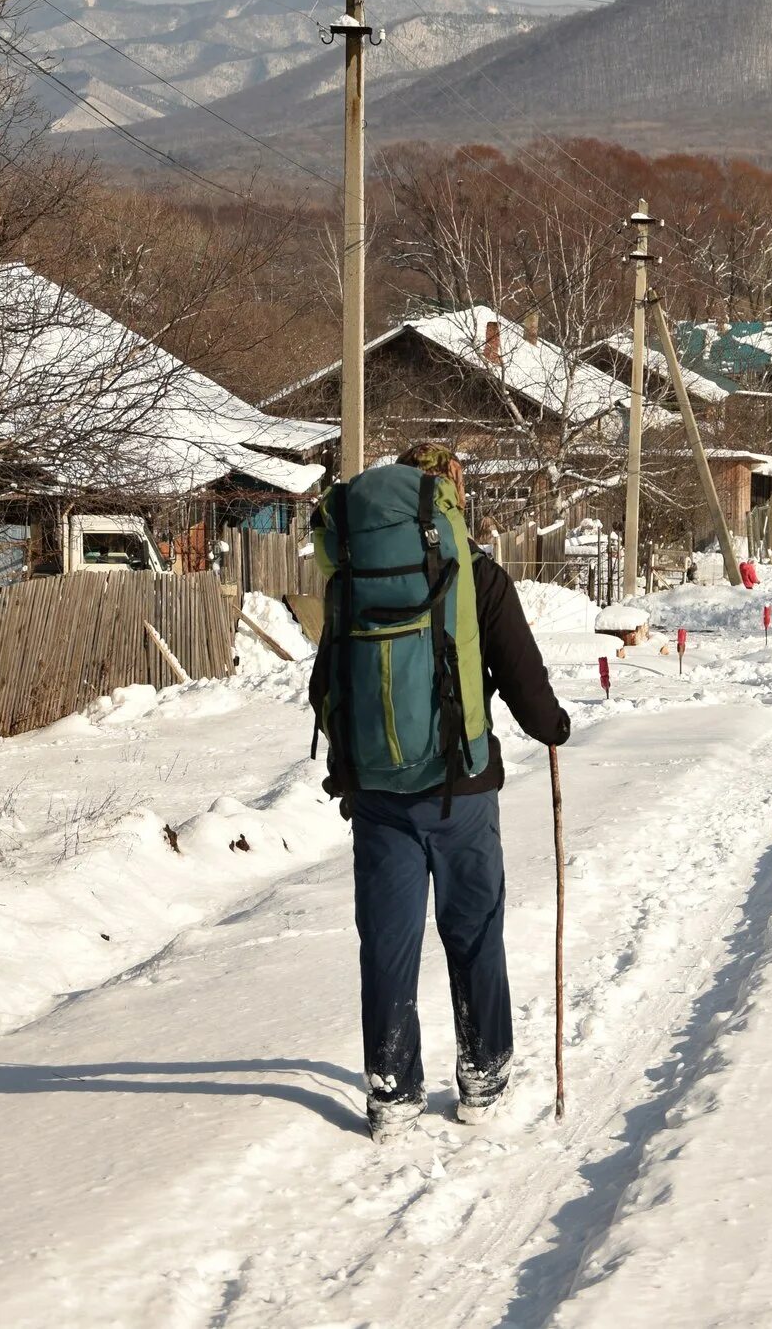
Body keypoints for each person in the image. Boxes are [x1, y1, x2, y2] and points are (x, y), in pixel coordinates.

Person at [311, 444, 572, 1141]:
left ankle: (393, 1091)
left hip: (376, 795)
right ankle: (482, 1076)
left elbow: (333, 672)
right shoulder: (476, 575)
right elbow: (521, 674)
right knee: (474, 931)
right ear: (449, 498)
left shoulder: (359, 572)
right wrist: (553, 725)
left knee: (388, 943)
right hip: (462, 790)